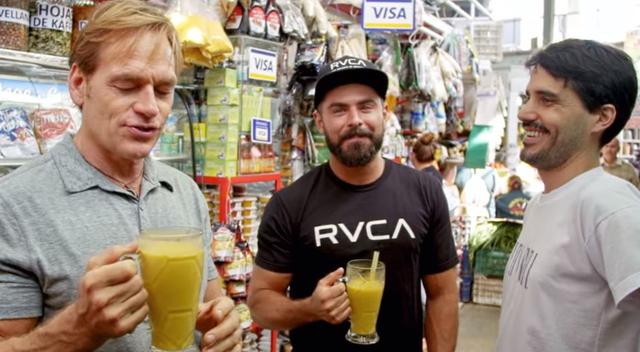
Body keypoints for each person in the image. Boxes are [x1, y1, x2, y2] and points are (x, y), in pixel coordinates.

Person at [0, 1, 241, 351]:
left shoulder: (184, 192)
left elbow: (209, 305)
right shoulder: (14, 205)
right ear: (80, 83)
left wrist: (223, 323)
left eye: (162, 90)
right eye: (126, 86)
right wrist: (78, 328)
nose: (149, 107)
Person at [248, 56, 459, 352]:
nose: (355, 119)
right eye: (339, 110)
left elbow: (443, 294)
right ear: (319, 120)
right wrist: (310, 308)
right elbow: (260, 303)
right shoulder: (290, 204)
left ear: (384, 113)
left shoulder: (424, 190)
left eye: (366, 106)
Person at [497, 39, 640, 351]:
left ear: (602, 117)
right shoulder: (540, 204)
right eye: (527, 97)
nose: (524, 112)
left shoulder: (611, 207)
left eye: (547, 101)